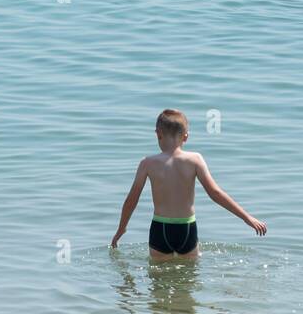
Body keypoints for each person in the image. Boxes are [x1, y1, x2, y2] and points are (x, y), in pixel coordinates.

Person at [110, 109, 266, 260]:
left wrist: (121, 229)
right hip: (187, 229)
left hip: (160, 228)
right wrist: (247, 218)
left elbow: (132, 199)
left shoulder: (148, 163)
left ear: (158, 134)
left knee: (158, 283)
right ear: (186, 137)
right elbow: (215, 193)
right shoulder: (195, 160)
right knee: (188, 282)